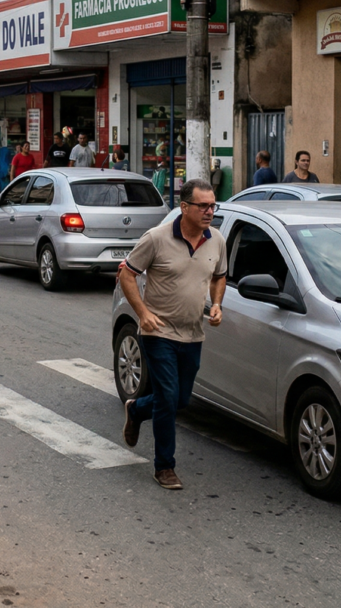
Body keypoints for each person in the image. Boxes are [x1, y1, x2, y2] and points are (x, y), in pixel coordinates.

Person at [118, 179, 227, 490]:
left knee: (180, 399)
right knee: (167, 396)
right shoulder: (156, 238)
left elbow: (219, 276)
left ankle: (136, 409)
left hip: (193, 333)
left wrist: (217, 304)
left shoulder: (216, 240)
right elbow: (127, 274)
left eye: (212, 205)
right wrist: (143, 313)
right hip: (158, 332)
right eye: (203, 206)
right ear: (184, 207)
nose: (209, 211)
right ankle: (164, 466)